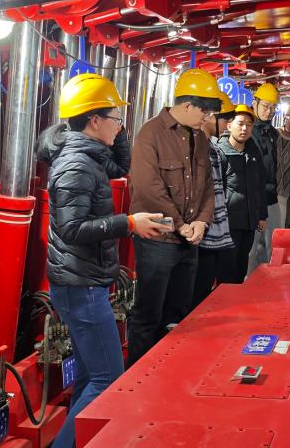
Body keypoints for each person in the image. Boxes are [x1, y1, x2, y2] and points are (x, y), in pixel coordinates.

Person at [37, 75, 171, 448]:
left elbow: (120, 165)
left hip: (83, 282)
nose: (120, 126)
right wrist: (128, 223)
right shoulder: (77, 165)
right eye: (116, 119)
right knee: (107, 378)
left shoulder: (90, 156)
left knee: (88, 376)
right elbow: (71, 229)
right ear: (94, 120)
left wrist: (120, 131)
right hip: (80, 287)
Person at [127, 69, 223, 366]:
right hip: (158, 240)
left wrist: (202, 221)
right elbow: (149, 189)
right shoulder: (151, 134)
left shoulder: (200, 139)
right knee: (149, 314)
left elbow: (208, 185)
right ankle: (138, 374)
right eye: (205, 112)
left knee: (178, 314)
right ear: (188, 105)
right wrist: (181, 225)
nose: (207, 118)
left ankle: (166, 369)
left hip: (188, 241)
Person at [192, 93, 237, 309]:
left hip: (212, 232)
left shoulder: (212, 148)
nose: (228, 124)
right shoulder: (197, 147)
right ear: (210, 116)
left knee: (202, 290)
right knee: (195, 293)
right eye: (225, 119)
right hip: (201, 234)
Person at [215, 105, 268, 283]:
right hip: (228, 222)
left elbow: (259, 186)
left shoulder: (254, 152)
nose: (245, 128)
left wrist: (261, 215)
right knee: (226, 269)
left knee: (241, 267)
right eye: (240, 123)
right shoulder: (220, 152)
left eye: (249, 125)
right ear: (229, 125)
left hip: (249, 222)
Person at [247, 83, 281, 272]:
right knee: (250, 249)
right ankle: (248, 282)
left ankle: (267, 282)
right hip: (251, 199)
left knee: (272, 246)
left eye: (273, 108)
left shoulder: (273, 133)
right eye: (266, 106)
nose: (269, 112)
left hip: (271, 197)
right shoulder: (246, 131)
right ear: (255, 103)